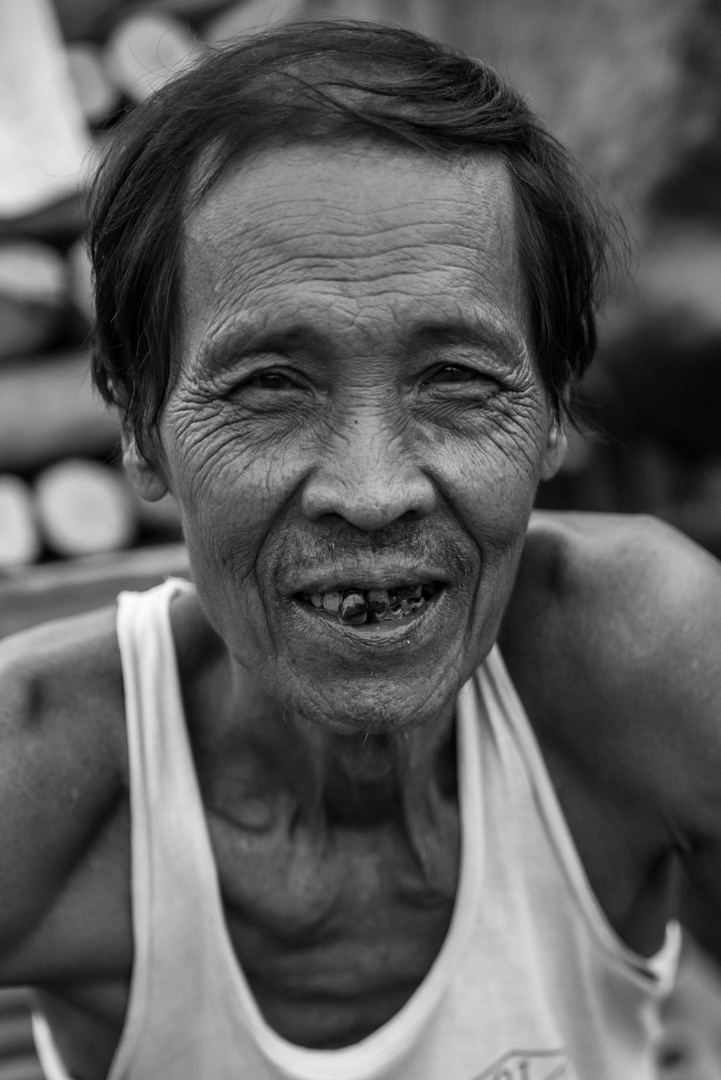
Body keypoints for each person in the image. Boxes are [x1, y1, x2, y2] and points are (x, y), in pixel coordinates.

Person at [0, 19, 719, 1080]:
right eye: (267, 388)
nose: (372, 491)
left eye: (459, 383)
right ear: (139, 430)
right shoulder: (47, 767)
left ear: (556, 414)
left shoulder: (643, 662)